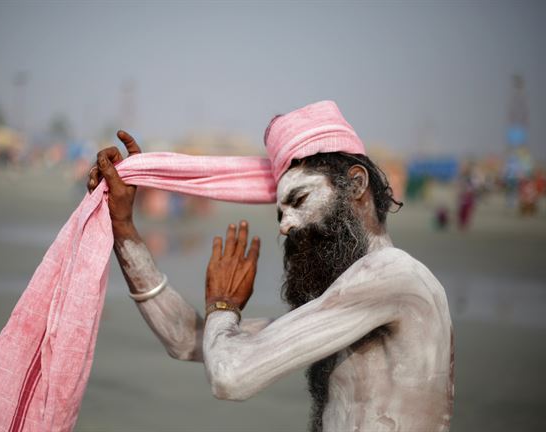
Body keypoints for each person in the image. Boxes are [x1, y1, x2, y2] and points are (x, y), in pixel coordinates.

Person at [88, 105, 454, 432]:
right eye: (280, 213)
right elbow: (187, 339)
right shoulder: (347, 301)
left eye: (299, 200)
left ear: (356, 185)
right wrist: (123, 227)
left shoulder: (394, 275)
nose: (284, 225)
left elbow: (231, 376)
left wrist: (222, 306)